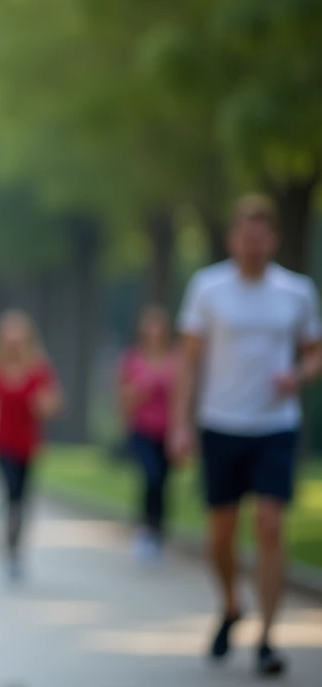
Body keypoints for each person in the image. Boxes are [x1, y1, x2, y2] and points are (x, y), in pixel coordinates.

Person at [170, 194, 322, 677]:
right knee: (221, 534)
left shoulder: (296, 291)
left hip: (275, 425)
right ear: (233, 239)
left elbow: (315, 352)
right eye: (245, 236)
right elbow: (189, 363)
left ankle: (268, 638)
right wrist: (180, 423)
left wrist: (298, 376)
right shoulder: (208, 288)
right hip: (221, 422)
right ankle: (233, 604)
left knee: (271, 525)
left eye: (261, 237)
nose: (253, 245)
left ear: (273, 240)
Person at [0, 310, 62, 582]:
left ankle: (16, 551)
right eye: (8, 341)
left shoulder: (38, 368)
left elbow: (52, 403)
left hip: (28, 444)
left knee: (22, 499)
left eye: (19, 340)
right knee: (10, 493)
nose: (13, 346)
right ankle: (8, 548)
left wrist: (43, 404)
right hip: (2, 444)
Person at [117, 304, 178, 565]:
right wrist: (141, 389)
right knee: (150, 476)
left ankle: (158, 533)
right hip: (141, 429)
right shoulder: (132, 359)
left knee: (163, 483)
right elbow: (123, 399)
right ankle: (145, 529)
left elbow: (183, 396)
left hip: (169, 431)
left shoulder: (176, 359)